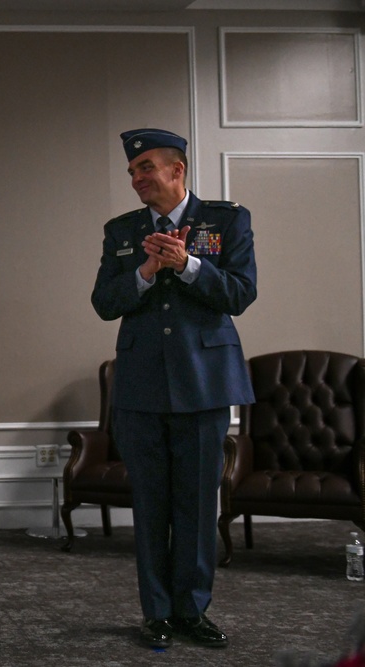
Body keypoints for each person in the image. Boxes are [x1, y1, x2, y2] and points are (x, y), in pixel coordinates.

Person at [91, 128, 256, 650]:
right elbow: (103, 302)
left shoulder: (227, 220)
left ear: (176, 171)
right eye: (133, 172)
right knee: (151, 505)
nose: (137, 179)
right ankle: (157, 613)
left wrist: (186, 265)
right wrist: (145, 269)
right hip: (140, 388)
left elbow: (241, 293)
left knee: (197, 505)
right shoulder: (121, 229)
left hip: (204, 385)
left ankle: (192, 610)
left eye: (145, 169)